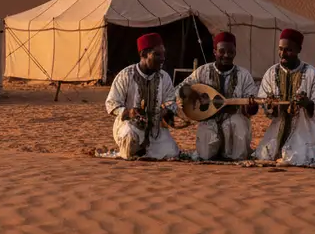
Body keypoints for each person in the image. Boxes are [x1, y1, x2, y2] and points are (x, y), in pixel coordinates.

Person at [254, 29, 315, 165]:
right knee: (264, 156)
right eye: (280, 49)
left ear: (298, 50)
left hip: (302, 130)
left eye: (288, 50)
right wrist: (270, 105)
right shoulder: (271, 73)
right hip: (277, 128)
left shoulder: (311, 73)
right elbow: (263, 100)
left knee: (294, 159)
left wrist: (308, 104)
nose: (283, 54)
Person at [180, 31, 257, 161]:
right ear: (215, 51)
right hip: (209, 120)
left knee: (238, 131)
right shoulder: (202, 71)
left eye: (231, 52)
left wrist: (250, 107)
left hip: (234, 119)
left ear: (235, 52)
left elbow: (253, 106)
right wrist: (191, 93)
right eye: (222, 51)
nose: (226, 55)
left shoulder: (244, 75)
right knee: (205, 155)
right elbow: (181, 89)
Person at [105, 32, 180, 160]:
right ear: (143, 55)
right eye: (157, 55)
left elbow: (171, 101)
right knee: (129, 144)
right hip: (130, 125)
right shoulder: (126, 75)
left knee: (171, 153)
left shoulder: (164, 77)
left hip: (155, 130)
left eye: (163, 54)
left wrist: (166, 111)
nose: (162, 59)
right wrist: (129, 112)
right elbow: (111, 104)